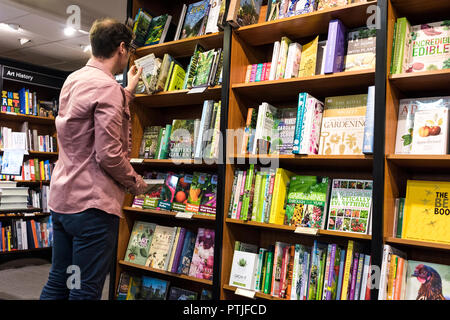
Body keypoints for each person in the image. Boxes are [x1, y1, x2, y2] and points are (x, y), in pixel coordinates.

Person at [40, 18, 149, 300]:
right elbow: (109, 154)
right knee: (84, 290)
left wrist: (127, 92)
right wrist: (136, 184)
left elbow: (88, 120)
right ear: (122, 48)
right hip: (93, 206)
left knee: (59, 281)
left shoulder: (73, 80)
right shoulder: (108, 89)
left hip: (63, 200)